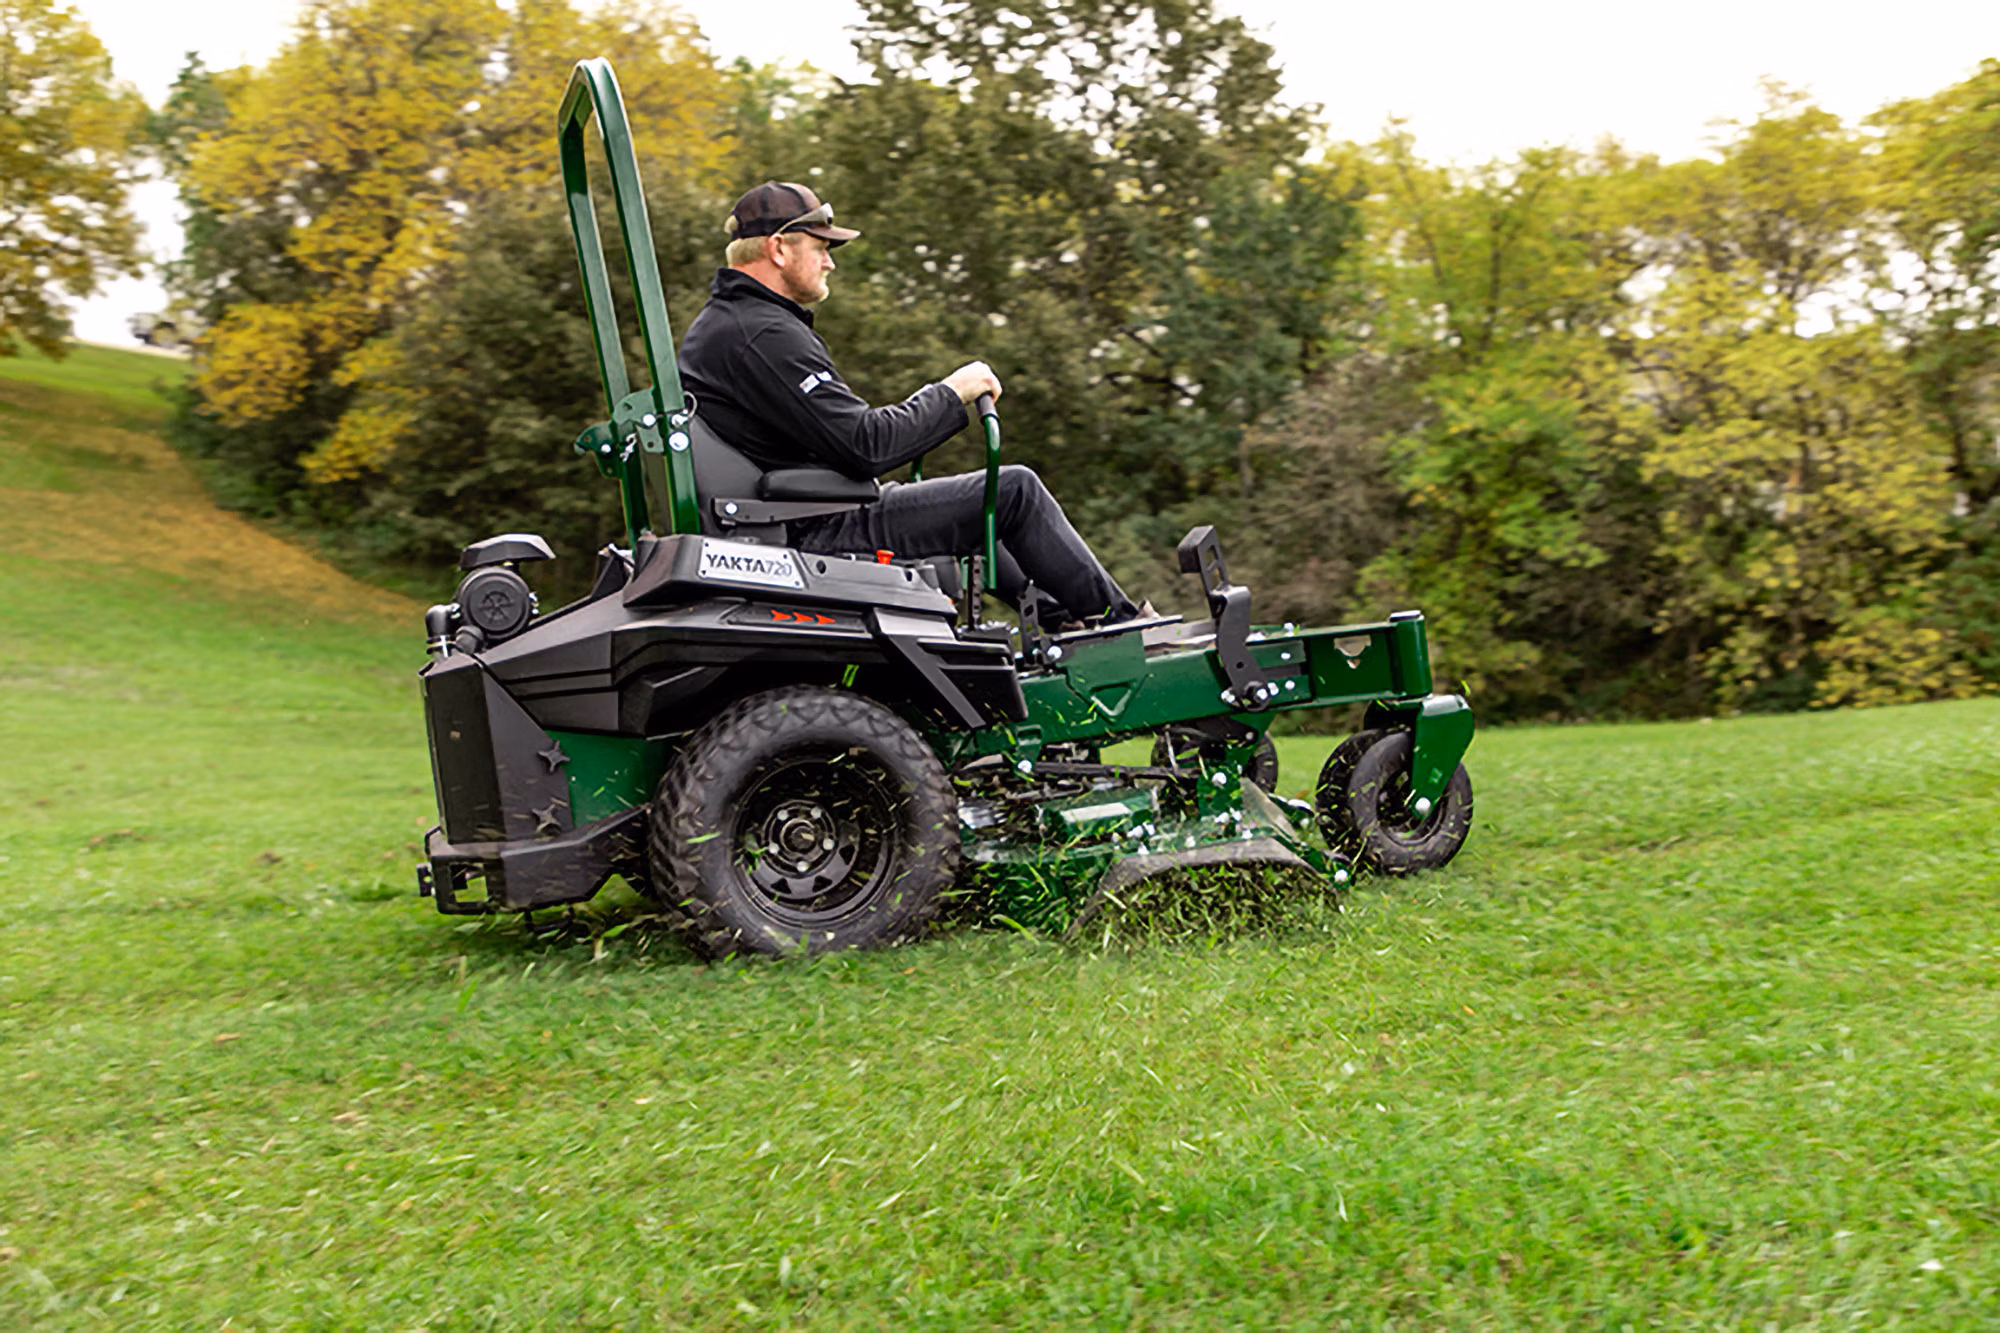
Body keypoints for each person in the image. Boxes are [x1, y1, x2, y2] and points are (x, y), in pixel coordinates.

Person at [677, 181, 1140, 627]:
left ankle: (1070, 624)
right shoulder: (763, 333)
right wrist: (952, 392)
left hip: (804, 510)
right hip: (813, 528)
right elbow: (866, 446)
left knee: (977, 508)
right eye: (820, 248)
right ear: (779, 249)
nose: (830, 263)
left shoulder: (735, 323)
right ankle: (1125, 632)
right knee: (1014, 492)